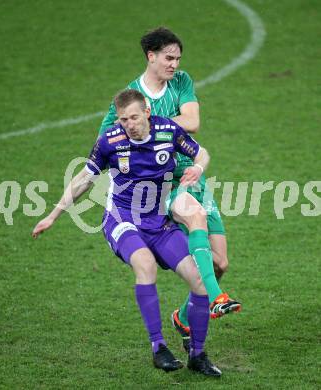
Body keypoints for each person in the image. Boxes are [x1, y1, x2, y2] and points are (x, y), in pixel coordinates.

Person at [32, 89, 222, 377]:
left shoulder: (167, 129)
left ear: (146, 112)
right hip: (122, 220)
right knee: (145, 264)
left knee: (198, 281)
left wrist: (197, 168)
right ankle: (158, 348)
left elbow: (202, 152)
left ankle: (197, 354)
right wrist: (53, 214)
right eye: (123, 119)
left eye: (134, 117)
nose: (129, 124)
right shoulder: (109, 141)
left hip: (159, 223)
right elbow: (84, 179)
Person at [98, 27, 241, 351]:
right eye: (168, 58)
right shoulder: (130, 98)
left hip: (194, 174)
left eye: (177, 58)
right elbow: (107, 139)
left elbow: (193, 121)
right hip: (167, 183)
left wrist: (154, 124)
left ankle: (184, 318)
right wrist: (140, 129)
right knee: (195, 220)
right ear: (151, 56)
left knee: (219, 264)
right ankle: (216, 300)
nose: (174, 64)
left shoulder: (180, 82)